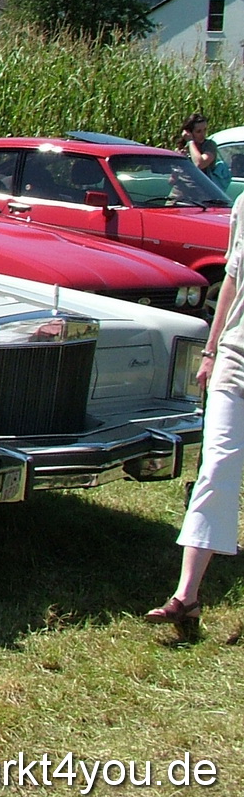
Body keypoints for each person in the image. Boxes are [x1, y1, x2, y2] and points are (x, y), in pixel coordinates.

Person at [147, 188, 244, 624]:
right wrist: (211, 350)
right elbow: (232, 283)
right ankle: (186, 598)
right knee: (216, 468)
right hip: (237, 359)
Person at [178, 113, 231, 189]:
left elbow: (200, 164)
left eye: (205, 130)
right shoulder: (183, 149)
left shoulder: (209, 145)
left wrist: (190, 141)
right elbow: (172, 180)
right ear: (189, 132)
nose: (203, 134)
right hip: (181, 191)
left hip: (202, 192)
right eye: (198, 131)